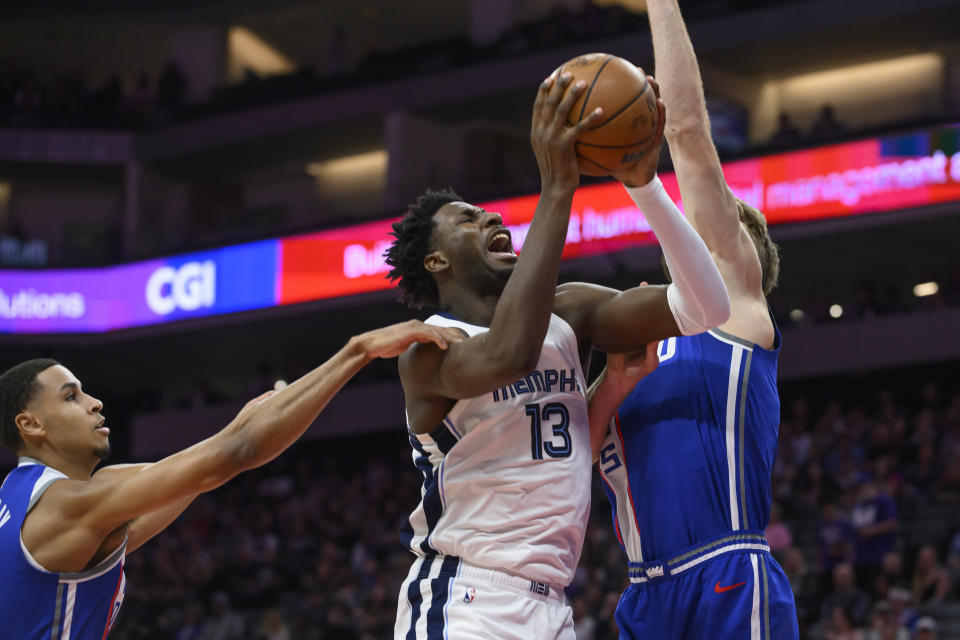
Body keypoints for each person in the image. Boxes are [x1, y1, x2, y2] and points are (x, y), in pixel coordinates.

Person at [385, 69, 731, 639]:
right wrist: (557, 187)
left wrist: (644, 185)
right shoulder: (429, 348)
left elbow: (707, 307)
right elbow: (511, 356)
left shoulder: (568, 312)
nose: (491, 218)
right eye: (467, 220)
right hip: (466, 597)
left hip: (551, 606)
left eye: (488, 213)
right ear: (436, 263)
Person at [0, 319, 463, 640]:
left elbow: (196, 475)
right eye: (70, 397)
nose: (95, 402)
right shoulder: (69, 504)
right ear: (31, 426)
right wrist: (357, 351)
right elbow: (237, 453)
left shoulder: (19, 500)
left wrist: (227, 439)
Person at [587, 1, 799, 637]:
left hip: (726, 574)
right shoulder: (630, 349)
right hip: (643, 593)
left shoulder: (738, 302)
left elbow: (685, 133)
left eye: (716, 225)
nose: (700, 224)